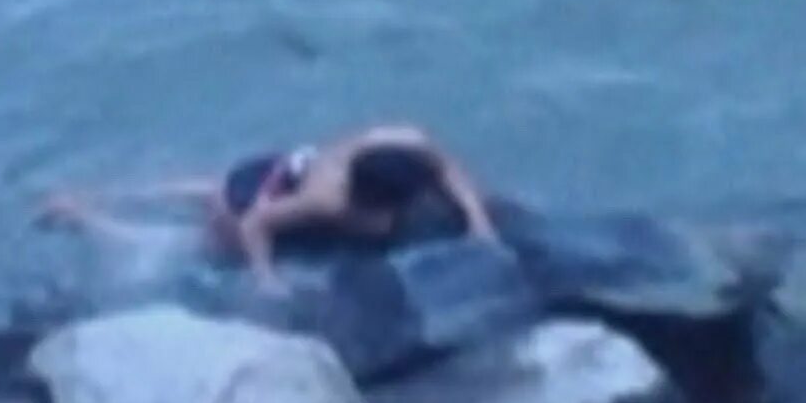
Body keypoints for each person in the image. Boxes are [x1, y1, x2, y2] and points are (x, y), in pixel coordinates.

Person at [43, 124, 498, 293]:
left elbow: (446, 168)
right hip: (252, 204)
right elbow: (258, 223)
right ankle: (81, 217)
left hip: (280, 168)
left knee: (212, 188)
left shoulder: (403, 140)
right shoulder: (330, 200)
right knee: (191, 246)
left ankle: (102, 193)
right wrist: (265, 277)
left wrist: (477, 221)